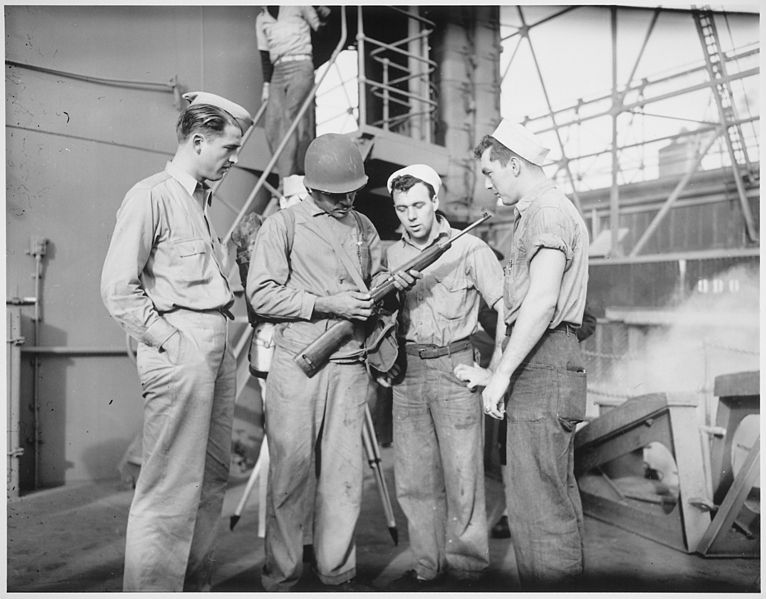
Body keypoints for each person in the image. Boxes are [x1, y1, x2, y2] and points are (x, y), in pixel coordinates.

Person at [246, 133, 416, 592]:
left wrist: (390, 282)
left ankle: (336, 573)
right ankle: (281, 577)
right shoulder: (282, 226)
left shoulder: (363, 226)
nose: (346, 200)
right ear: (313, 187)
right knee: (289, 474)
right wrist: (328, 304)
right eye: (337, 194)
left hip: (350, 364)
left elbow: (375, 275)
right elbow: (261, 293)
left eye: (352, 192)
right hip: (298, 364)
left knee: (343, 479)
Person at [100, 91, 253, 591]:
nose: (234, 159)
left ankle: (192, 584)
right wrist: (170, 340)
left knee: (210, 479)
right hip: (182, 343)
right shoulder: (151, 196)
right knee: (169, 486)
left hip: (216, 341)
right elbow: (118, 288)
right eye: (228, 149)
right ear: (197, 139)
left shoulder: (202, 201)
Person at [455, 120, 590, 589]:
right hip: (540, 364)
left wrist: (502, 374)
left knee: (540, 507)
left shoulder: (548, 213)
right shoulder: (535, 213)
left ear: (515, 164)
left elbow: (542, 303)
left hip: (545, 364)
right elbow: (519, 311)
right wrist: (493, 371)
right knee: (537, 501)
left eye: (491, 173)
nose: (488, 184)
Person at [384, 165, 504, 588]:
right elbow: (381, 318)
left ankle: (467, 571)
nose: (411, 216)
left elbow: (507, 310)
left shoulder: (469, 248)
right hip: (409, 374)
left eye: (419, 204)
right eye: (402, 208)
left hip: (456, 369)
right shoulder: (391, 255)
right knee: (414, 481)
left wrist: (495, 370)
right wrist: (384, 362)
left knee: (463, 477)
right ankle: (427, 569)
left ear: (435, 201)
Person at [256, 5, 329, 185]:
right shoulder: (261, 18)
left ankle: (287, 180)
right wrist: (266, 86)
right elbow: (264, 54)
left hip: (300, 64)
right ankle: (286, 171)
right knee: (272, 124)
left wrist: (320, 10)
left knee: (290, 116)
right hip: (278, 71)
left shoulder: (297, 3)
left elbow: (322, 29)